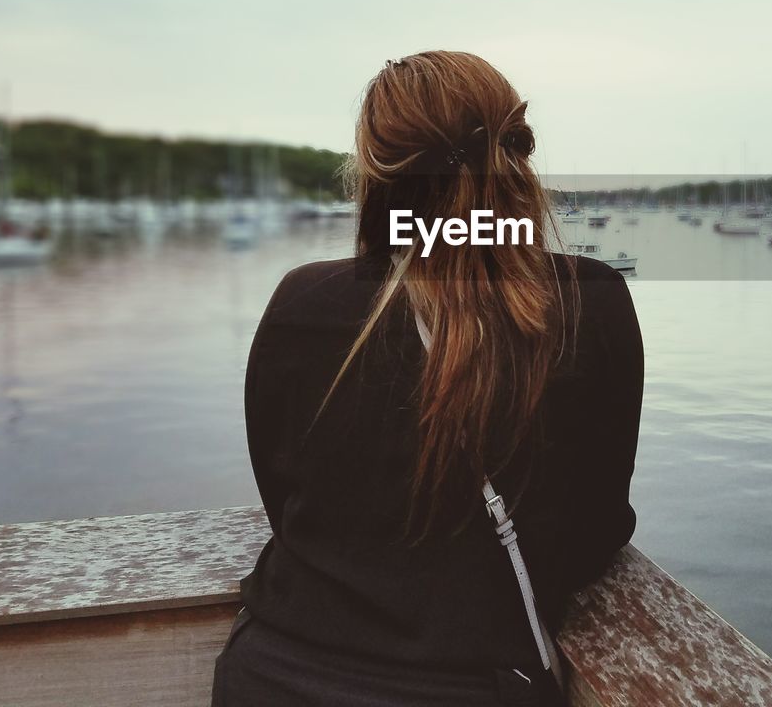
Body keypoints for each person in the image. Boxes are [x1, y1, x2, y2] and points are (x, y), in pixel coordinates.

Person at [212, 51, 644, 706]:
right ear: (516, 154)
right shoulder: (591, 299)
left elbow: (290, 504)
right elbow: (597, 528)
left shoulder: (301, 303)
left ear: (376, 175)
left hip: (274, 675)